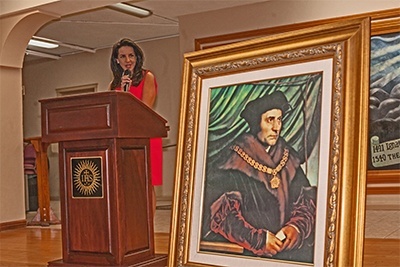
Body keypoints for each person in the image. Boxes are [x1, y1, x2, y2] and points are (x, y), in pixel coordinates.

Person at [201, 91, 316, 263]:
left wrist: (296, 227)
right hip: (247, 256)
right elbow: (223, 215)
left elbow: (306, 201)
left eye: (280, 119)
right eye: (270, 120)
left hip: (289, 255)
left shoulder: (288, 158)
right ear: (257, 123)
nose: (277, 127)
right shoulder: (232, 162)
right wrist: (259, 240)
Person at [109, 38, 162, 213]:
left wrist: (128, 95)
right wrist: (123, 91)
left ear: (137, 58)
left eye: (131, 56)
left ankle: (148, 226)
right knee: (126, 185)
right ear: (117, 60)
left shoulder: (147, 77)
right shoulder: (115, 84)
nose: (128, 60)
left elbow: (144, 111)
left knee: (146, 184)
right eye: (123, 56)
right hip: (123, 138)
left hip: (145, 136)